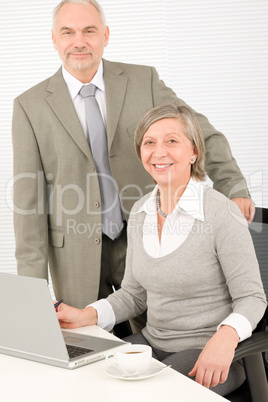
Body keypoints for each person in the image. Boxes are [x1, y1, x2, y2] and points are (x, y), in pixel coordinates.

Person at [12, 0, 255, 313]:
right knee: (89, 347)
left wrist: (233, 186)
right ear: (54, 39)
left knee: (160, 344)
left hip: (151, 237)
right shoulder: (29, 107)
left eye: (89, 30)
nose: (79, 41)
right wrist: (30, 298)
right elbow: (29, 204)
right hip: (75, 254)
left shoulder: (144, 82)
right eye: (68, 32)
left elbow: (202, 134)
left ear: (106, 35)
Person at [55, 103, 266, 396]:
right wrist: (87, 314)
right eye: (149, 143)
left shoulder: (221, 214)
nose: (159, 152)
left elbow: (252, 298)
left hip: (209, 355)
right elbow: (133, 295)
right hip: (151, 345)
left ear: (194, 151)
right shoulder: (140, 212)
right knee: (84, 381)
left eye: (172, 141)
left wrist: (226, 337)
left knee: (147, 395)